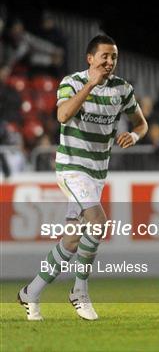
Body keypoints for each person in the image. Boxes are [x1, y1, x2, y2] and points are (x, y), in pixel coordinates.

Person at [17, 35, 148, 321]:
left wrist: (135, 135)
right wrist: (91, 85)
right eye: (104, 56)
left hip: (97, 172)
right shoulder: (72, 83)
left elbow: (141, 122)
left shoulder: (122, 90)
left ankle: (31, 292)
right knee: (98, 223)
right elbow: (63, 115)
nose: (109, 62)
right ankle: (80, 291)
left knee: (72, 240)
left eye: (114, 57)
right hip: (71, 168)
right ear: (90, 58)